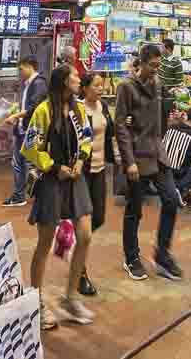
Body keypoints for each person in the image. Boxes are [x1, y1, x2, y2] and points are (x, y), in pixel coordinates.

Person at [22, 63, 95, 328]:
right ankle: (36, 303)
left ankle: (70, 297)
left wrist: (80, 161)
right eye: (75, 76)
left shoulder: (78, 109)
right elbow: (30, 147)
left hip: (75, 179)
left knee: (85, 235)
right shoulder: (44, 110)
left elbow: (86, 138)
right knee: (44, 243)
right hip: (52, 180)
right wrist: (54, 167)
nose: (79, 78)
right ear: (64, 81)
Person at [116, 43, 182, 282]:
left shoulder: (159, 86)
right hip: (137, 157)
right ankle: (131, 257)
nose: (156, 70)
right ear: (141, 63)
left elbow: (161, 121)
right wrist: (128, 160)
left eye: (158, 66)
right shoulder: (126, 87)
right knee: (135, 209)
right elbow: (120, 125)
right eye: (152, 66)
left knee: (171, 201)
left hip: (158, 154)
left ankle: (162, 255)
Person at [77, 71, 114, 297]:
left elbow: (108, 135)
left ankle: (75, 239)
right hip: (82, 172)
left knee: (98, 218)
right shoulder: (77, 109)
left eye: (103, 85)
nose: (101, 89)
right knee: (85, 227)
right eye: (97, 85)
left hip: (99, 171)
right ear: (85, 88)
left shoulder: (104, 108)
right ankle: (81, 273)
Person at [3, 56, 48, 207]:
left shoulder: (39, 83)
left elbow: (33, 107)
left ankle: (36, 195)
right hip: (23, 129)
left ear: (30, 66)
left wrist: (16, 115)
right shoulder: (30, 84)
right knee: (20, 163)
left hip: (30, 131)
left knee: (29, 164)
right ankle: (20, 195)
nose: (20, 72)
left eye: (21, 69)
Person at [157, 37, 182, 134]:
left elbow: (180, 83)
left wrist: (172, 91)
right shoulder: (161, 59)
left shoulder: (176, 63)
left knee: (168, 121)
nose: (160, 49)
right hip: (159, 95)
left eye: (162, 47)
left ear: (168, 49)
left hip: (169, 98)